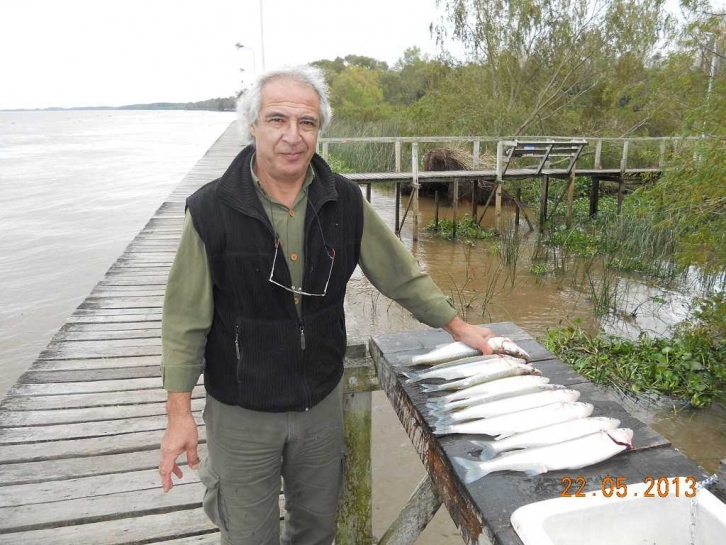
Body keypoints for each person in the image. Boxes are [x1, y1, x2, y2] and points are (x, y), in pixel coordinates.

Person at [158, 65, 495, 545]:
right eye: (277, 120)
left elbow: (400, 274)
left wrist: (459, 327)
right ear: (251, 126)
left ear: (319, 130)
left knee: (316, 528)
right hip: (241, 410)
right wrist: (179, 414)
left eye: (307, 123)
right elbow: (184, 321)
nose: (292, 136)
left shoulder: (346, 201)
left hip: (320, 401)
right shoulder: (211, 210)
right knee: (247, 533)